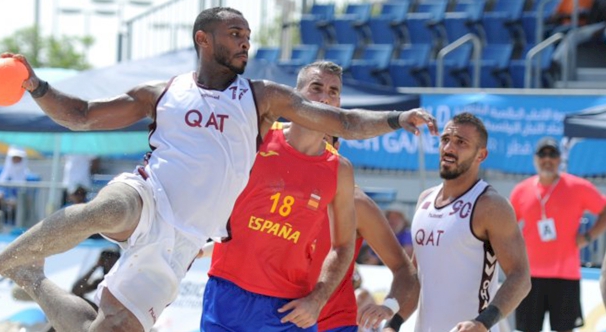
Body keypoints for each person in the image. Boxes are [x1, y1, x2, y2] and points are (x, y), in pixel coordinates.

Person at [0, 7, 437, 332]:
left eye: (248, 35)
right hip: (149, 195)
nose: (245, 42)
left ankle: (31, 277)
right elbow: (81, 116)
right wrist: (36, 86)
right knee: (103, 208)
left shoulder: (263, 98)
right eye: (234, 33)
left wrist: (396, 118)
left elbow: (344, 121)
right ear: (203, 38)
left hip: (184, 238)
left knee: (104, 328)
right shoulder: (163, 91)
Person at [200, 61, 355, 331]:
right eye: (316, 87)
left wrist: (318, 299)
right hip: (228, 293)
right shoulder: (255, 139)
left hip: (289, 308)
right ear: (294, 95)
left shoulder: (340, 169)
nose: (325, 97)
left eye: (333, 91)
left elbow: (343, 247)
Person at [400, 112, 531, 332]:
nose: (449, 148)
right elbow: (416, 279)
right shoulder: (425, 200)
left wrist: (483, 322)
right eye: (445, 140)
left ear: (481, 155)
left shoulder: (490, 205)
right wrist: (393, 321)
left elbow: (520, 278)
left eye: (461, 142)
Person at [310, 135, 418, 332]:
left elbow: (405, 269)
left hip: (333, 325)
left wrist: (389, 308)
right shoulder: (273, 188)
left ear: (336, 146)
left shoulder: (357, 203)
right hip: (274, 317)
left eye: (321, 139)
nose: (311, 144)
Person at [510, 136, 606, 332]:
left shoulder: (578, 187)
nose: (547, 159)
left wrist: (588, 236)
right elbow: (507, 227)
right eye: (542, 154)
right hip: (529, 278)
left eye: (552, 154)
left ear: (560, 159)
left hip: (566, 277)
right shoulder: (522, 190)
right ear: (535, 159)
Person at [0, 146, 41, 227]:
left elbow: (30, 198)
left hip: (18, 211)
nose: (16, 160)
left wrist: (17, 202)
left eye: (19, 158)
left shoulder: (29, 177)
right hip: (0, 206)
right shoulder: (0, 171)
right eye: (14, 158)